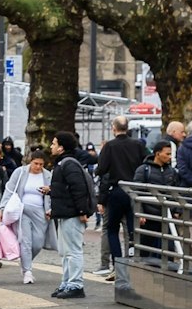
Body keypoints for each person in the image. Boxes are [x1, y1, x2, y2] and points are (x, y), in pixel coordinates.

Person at [95, 116, 149, 280]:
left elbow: (101, 169)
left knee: (112, 229)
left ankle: (117, 264)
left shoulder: (110, 146)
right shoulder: (138, 145)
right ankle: (132, 262)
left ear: (114, 128)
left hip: (117, 190)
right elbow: (146, 163)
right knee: (131, 230)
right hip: (135, 190)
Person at [48, 132, 95, 299]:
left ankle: (75, 284)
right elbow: (67, 189)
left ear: (61, 147)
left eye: (54, 143)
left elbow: (78, 189)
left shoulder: (67, 164)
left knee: (73, 250)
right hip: (65, 213)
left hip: (71, 214)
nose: (51, 146)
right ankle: (68, 282)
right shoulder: (65, 163)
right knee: (65, 251)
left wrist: (82, 211)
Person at [130, 137, 183, 265]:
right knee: (144, 248)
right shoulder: (143, 170)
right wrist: (140, 212)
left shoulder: (172, 171)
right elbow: (135, 192)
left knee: (169, 249)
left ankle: (167, 274)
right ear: (157, 153)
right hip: (149, 216)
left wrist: (177, 209)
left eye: (171, 154)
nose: (170, 157)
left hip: (167, 216)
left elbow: (176, 192)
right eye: (167, 154)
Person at [4, 152, 51, 284]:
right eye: (35, 163)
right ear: (30, 162)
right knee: (26, 241)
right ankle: (27, 272)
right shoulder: (20, 172)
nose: (38, 166)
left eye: (41, 164)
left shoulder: (47, 175)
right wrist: (3, 208)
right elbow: (9, 190)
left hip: (40, 212)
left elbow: (52, 193)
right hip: (22, 210)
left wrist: (50, 208)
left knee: (38, 243)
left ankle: (26, 262)